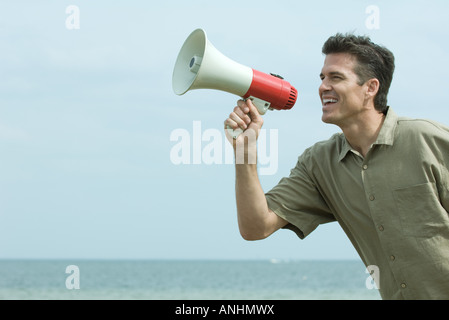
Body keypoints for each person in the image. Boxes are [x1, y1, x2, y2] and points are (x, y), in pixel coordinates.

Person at [224, 33, 449, 300]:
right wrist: (244, 153)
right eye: (322, 78)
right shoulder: (319, 164)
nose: (323, 87)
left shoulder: (427, 140)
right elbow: (256, 227)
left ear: (370, 88)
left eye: (336, 77)